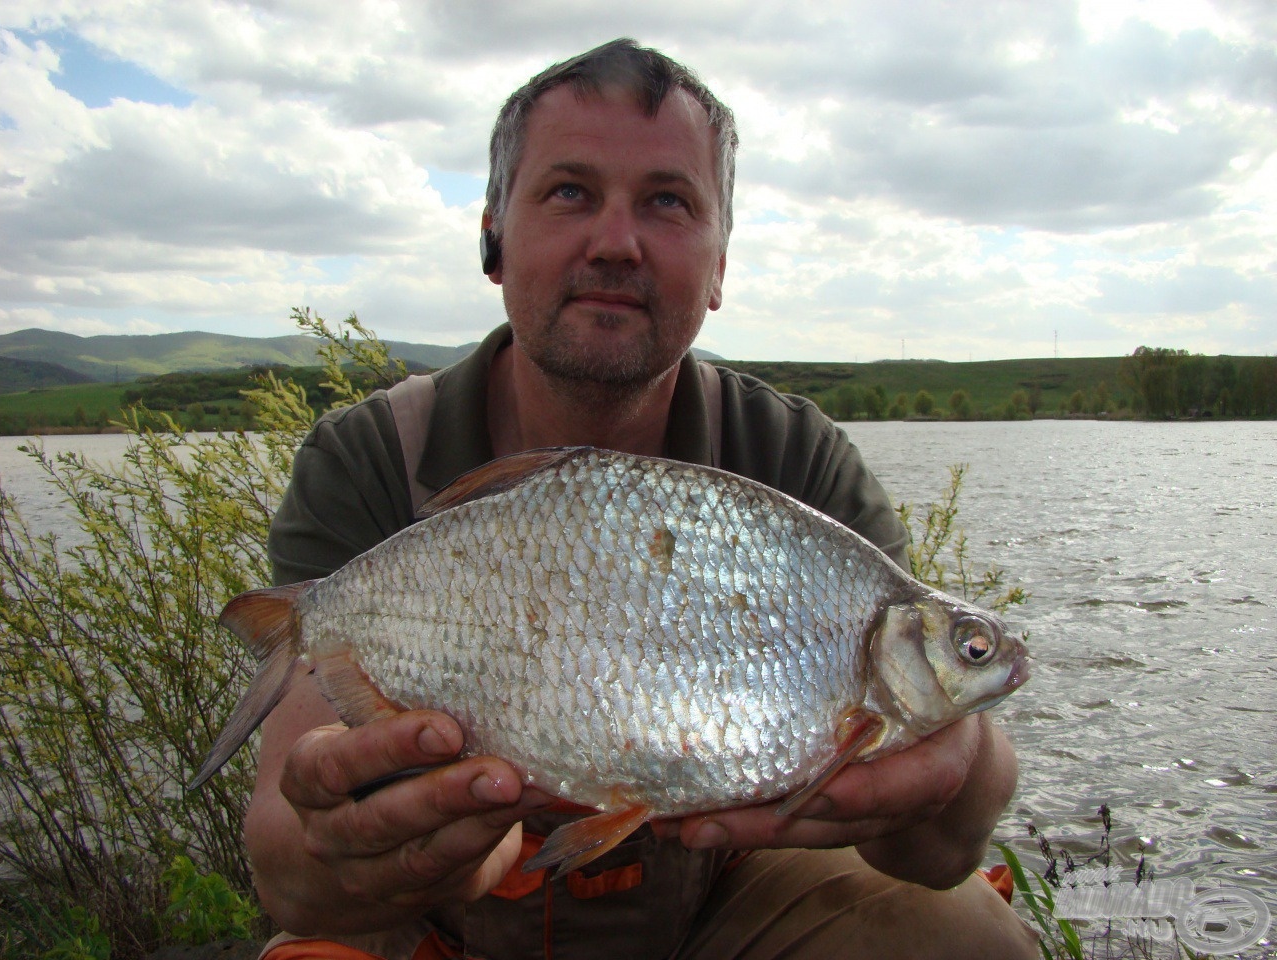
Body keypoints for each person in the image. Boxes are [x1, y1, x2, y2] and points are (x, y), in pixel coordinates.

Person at [244, 39, 1039, 960]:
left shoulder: (792, 457)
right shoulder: (371, 455)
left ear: (719, 264)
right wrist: (401, 847)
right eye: (570, 191)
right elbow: (288, 868)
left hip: (721, 899)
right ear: (494, 239)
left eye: (667, 201)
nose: (616, 242)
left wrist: (964, 763)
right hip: (443, 918)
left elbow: (937, 854)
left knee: (964, 938)